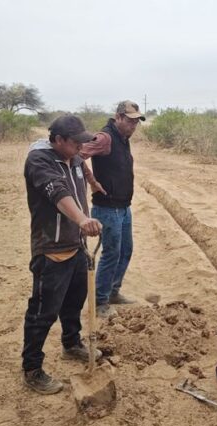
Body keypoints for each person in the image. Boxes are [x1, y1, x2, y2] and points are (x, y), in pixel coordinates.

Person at [22, 114, 103, 394]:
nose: (81, 147)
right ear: (57, 140)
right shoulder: (40, 161)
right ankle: (32, 368)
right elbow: (57, 192)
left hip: (76, 245)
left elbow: (82, 165)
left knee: (73, 302)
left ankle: (71, 344)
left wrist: (92, 183)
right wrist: (82, 219)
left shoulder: (74, 156)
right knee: (43, 312)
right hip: (52, 248)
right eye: (75, 142)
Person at [80, 100, 145, 318]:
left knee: (125, 250)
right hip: (107, 209)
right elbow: (77, 154)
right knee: (111, 254)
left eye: (136, 122)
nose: (133, 126)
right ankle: (99, 302)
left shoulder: (122, 138)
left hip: (123, 208)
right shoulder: (105, 138)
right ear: (118, 118)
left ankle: (112, 292)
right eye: (129, 121)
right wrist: (91, 180)